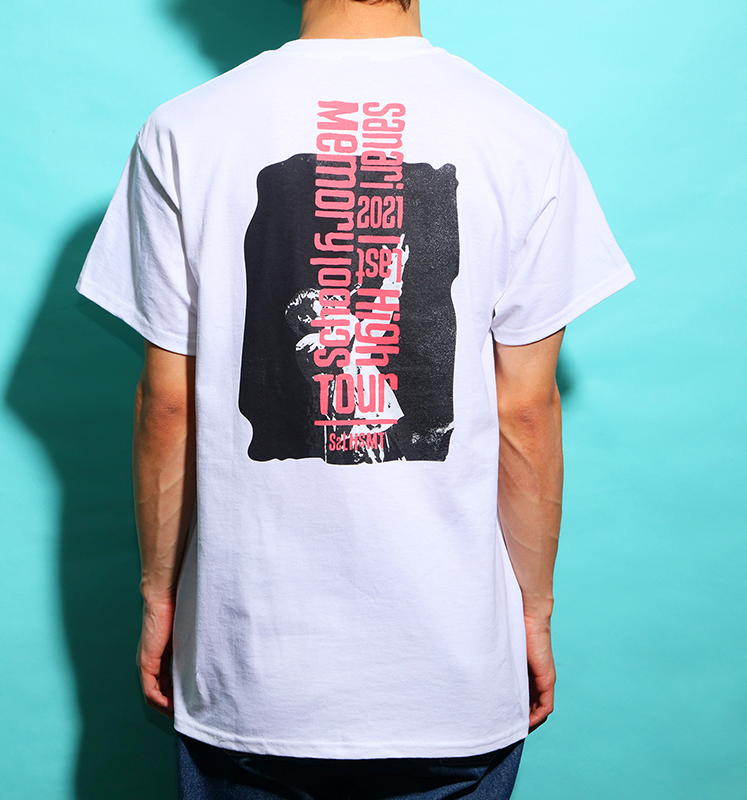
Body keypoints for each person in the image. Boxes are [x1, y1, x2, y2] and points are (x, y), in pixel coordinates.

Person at [77, 0, 634, 796]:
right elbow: (526, 412)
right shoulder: (525, 137)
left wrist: (160, 597)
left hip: (252, 668)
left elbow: (169, 405)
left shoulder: (185, 131)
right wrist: (534, 612)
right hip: (449, 677)